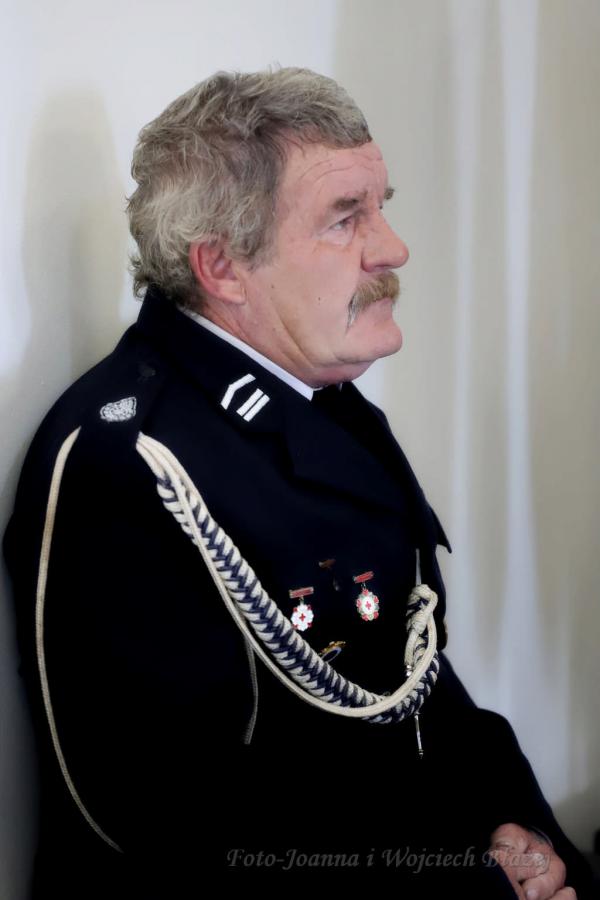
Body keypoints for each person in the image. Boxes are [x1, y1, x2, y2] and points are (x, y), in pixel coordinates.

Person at [4, 68, 595, 899]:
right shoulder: (127, 464)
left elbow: (414, 685)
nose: (393, 248)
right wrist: (475, 883)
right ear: (223, 266)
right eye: (345, 219)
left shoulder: (327, 401)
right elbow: (171, 822)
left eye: (380, 207)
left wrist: (522, 830)